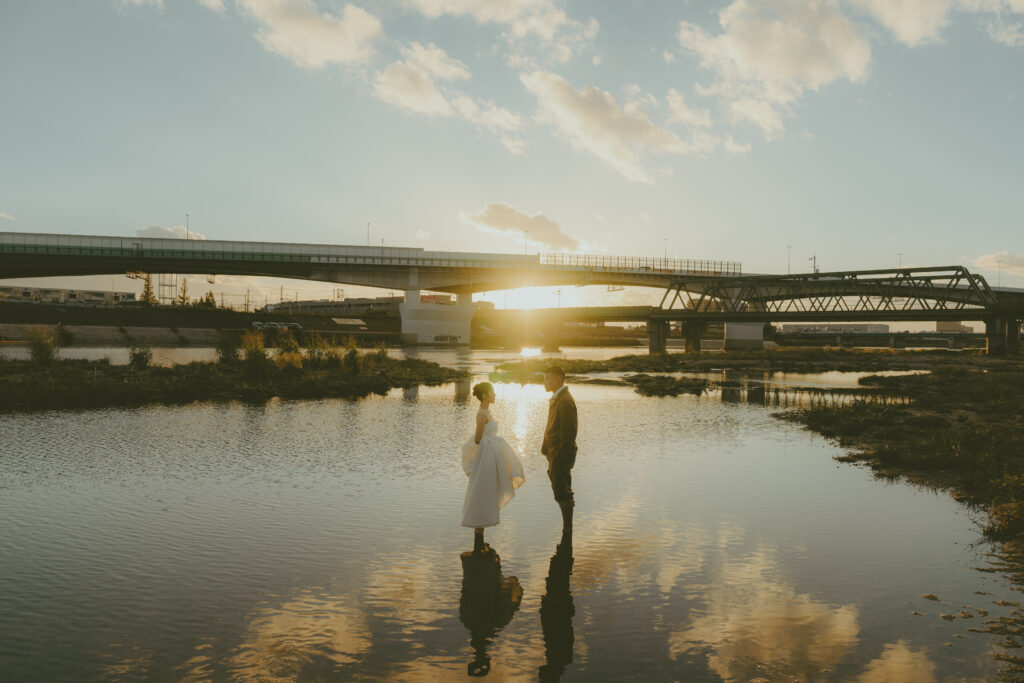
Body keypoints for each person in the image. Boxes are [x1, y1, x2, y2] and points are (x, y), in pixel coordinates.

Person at [462, 382, 525, 551]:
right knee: (482, 491)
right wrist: (495, 442)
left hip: (490, 458)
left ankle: (480, 535)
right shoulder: (482, 414)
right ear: (484, 396)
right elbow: (477, 439)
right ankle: (478, 534)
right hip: (486, 459)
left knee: (488, 491)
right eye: (492, 392)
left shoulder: (487, 412)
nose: (495, 395)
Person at [541, 366, 577, 535]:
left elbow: (568, 433)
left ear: (557, 380)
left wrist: (558, 456)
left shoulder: (565, 401)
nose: (544, 383)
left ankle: (567, 529)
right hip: (554, 453)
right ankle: (566, 529)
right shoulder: (558, 398)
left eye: (547, 379)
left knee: (563, 490)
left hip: (560, 455)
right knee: (560, 489)